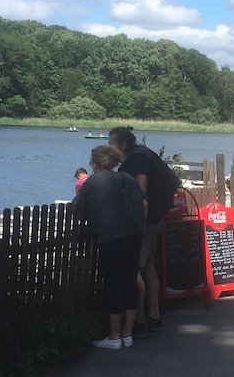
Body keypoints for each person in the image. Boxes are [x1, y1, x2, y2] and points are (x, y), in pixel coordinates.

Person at [71, 145, 146, 350]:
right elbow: (143, 202)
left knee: (114, 285)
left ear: (94, 162)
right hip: (133, 237)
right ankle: (127, 334)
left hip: (110, 238)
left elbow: (75, 207)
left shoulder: (92, 181)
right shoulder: (126, 178)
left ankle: (114, 337)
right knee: (129, 282)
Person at [108, 126, 169, 337]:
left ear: (122, 144)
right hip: (154, 220)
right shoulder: (144, 153)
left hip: (144, 223)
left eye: (111, 144)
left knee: (134, 270)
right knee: (149, 267)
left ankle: (140, 322)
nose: (109, 148)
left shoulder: (136, 159)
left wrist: (133, 212)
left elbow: (141, 186)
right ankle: (155, 316)